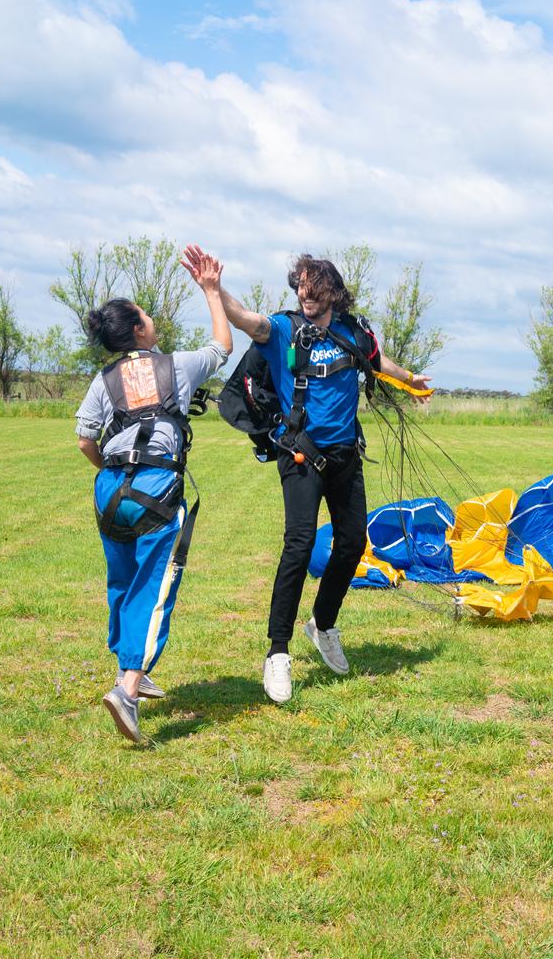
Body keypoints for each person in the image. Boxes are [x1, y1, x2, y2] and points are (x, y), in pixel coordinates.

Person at [181, 244, 431, 703]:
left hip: (345, 456)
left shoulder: (354, 332)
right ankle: (278, 652)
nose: (305, 294)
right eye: (300, 287)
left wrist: (411, 380)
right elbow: (245, 319)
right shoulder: (282, 329)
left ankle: (323, 623)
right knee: (298, 545)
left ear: (334, 292)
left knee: (354, 541)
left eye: (314, 288)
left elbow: (378, 363)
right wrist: (215, 291)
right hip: (299, 455)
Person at [75, 255, 232, 743]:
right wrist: (210, 289)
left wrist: (114, 473)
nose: (152, 317)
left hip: (109, 491)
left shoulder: (103, 380)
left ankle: (131, 671)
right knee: (155, 587)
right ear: (140, 331)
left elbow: (84, 440)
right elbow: (222, 346)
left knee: (122, 580)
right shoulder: (176, 367)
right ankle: (126, 688)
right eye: (145, 314)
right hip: (156, 490)